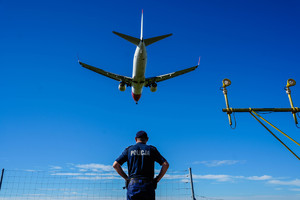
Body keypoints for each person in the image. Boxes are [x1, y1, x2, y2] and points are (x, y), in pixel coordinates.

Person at [113, 130, 169, 200]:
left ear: (135, 139)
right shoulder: (151, 149)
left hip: (133, 185)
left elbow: (115, 165)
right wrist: (157, 180)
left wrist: (127, 178)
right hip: (148, 185)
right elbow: (165, 164)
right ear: (147, 139)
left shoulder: (129, 150)